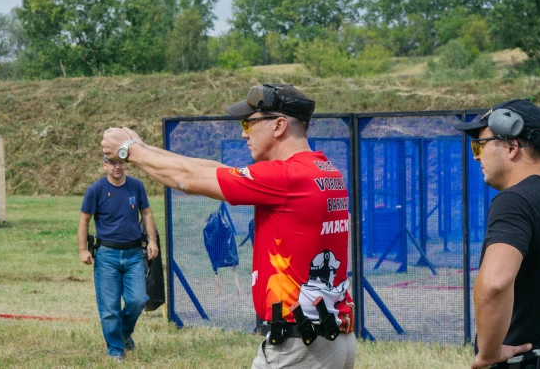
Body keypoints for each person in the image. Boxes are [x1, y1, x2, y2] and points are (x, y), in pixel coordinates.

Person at [101, 83, 356, 369]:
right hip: (330, 339)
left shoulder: (285, 176)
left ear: (279, 125)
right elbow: (210, 170)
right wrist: (143, 148)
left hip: (298, 345)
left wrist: (128, 150)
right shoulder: (321, 169)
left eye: (249, 122)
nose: (243, 132)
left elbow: (187, 178)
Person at [454, 99, 540, 369]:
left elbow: (495, 283)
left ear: (511, 146)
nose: (476, 156)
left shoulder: (515, 201)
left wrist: (489, 352)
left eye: (480, 145)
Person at [77, 154, 159, 361]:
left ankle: (123, 332)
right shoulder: (96, 190)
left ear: (126, 164)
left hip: (133, 254)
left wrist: (152, 241)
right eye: (112, 163)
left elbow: (147, 213)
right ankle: (115, 350)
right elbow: (84, 219)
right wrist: (82, 249)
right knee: (109, 308)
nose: (117, 167)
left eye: (121, 163)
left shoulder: (136, 186)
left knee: (138, 300)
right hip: (106, 255)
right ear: (104, 165)